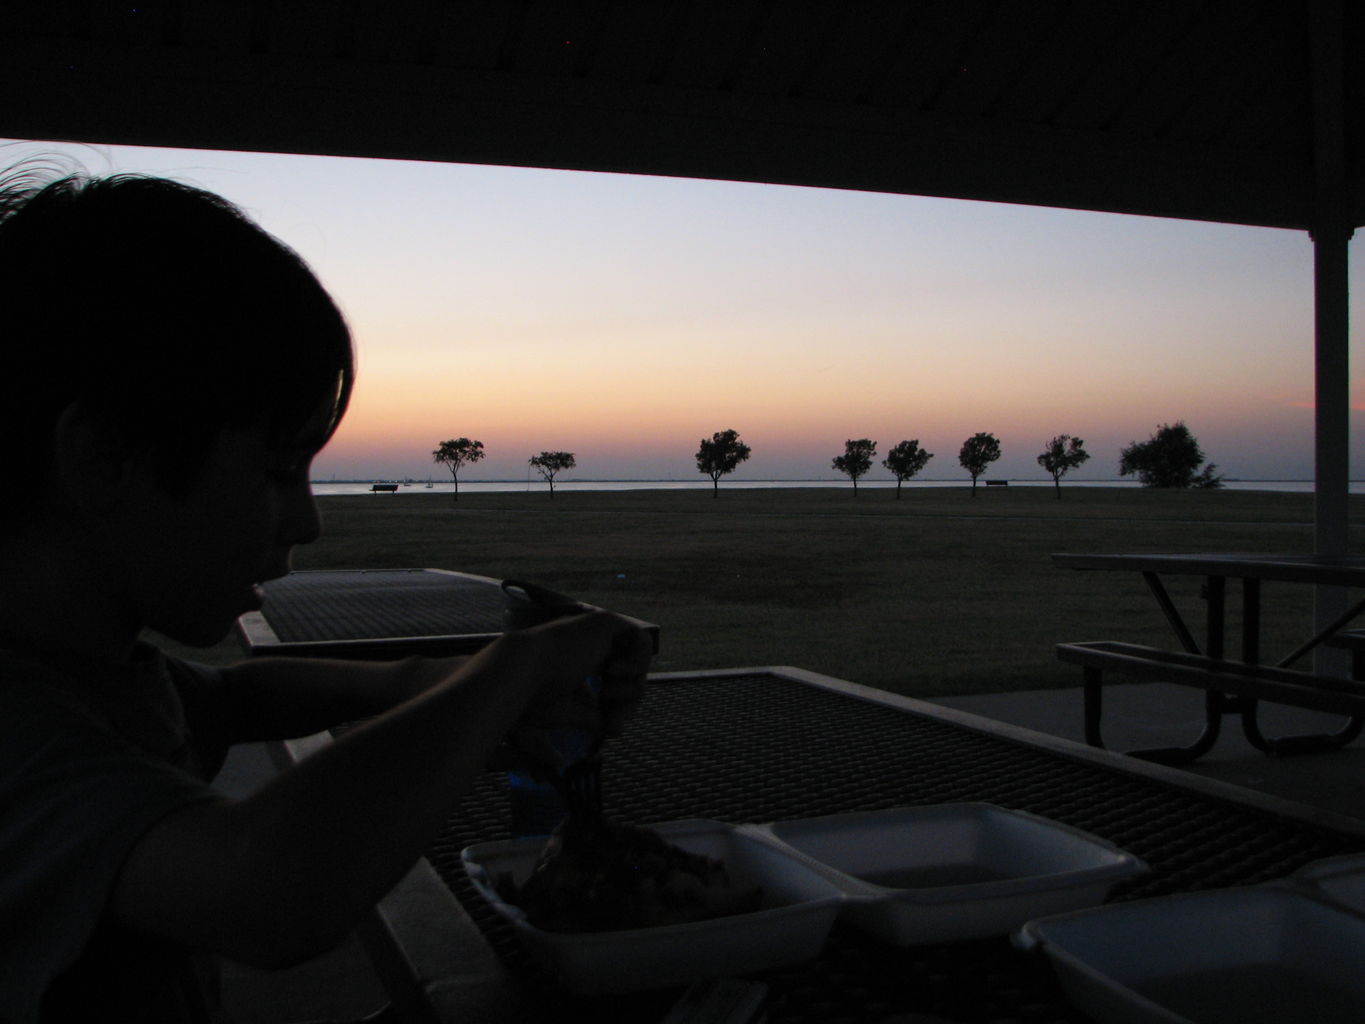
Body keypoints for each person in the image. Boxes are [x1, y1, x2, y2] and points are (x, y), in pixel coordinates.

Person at [0, 169, 652, 1023]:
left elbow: (235, 696)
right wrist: (512, 673)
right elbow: (264, 893)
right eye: (277, 471)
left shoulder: (99, 668)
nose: (305, 519)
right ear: (104, 459)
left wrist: (434, 682)